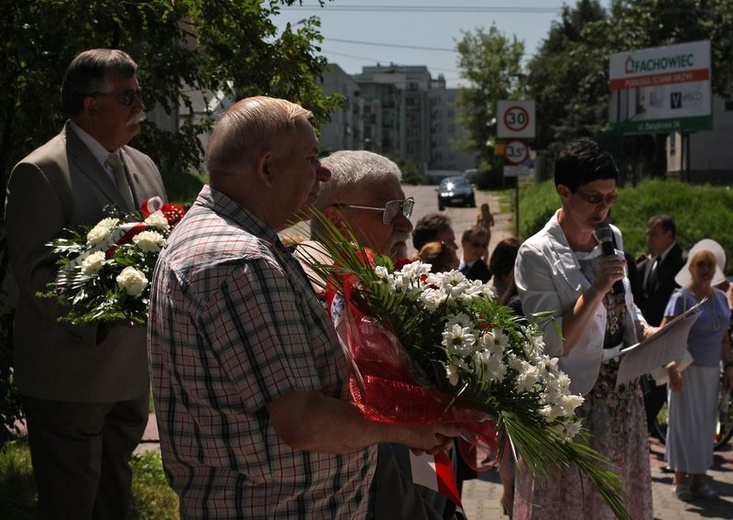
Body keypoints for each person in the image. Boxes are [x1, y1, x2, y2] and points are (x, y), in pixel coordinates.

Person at [147, 97, 460, 518]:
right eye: (312, 158)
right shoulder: (239, 261)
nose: (324, 172)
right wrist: (408, 428)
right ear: (267, 168)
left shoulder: (237, 243)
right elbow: (302, 419)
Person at [4, 49, 166, 519]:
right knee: (70, 504)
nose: (139, 104)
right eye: (128, 96)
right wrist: (112, 296)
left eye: (139, 93)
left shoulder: (143, 164)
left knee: (115, 500)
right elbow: (36, 275)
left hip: (130, 374)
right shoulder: (41, 171)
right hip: (69, 377)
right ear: (90, 104)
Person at [297, 149, 455, 520]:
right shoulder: (309, 294)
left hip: (419, 482)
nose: (406, 226)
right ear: (336, 220)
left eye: (406, 208)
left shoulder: (402, 287)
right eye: (389, 213)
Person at [513, 138, 653, 519]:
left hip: (621, 394)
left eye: (611, 198)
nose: (604, 208)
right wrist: (596, 288)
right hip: (572, 403)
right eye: (594, 198)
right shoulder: (535, 253)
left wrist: (646, 329)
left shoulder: (613, 236)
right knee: (571, 502)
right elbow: (551, 342)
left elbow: (622, 305)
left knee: (617, 497)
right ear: (564, 192)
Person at [661, 240, 733, 500]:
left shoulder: (722, 298)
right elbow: (665, 335)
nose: (705, 269)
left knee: (705, 426)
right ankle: (679, 479)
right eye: (700, 264)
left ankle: (699, 480)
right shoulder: (681, 297)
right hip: (685, 370)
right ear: (690, 268)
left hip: (711, 371)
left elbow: (725, 338)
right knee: (684, 424)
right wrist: (671, 368)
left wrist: (730, 367)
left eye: (710, 265)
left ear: (716, 269)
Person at [636, 215, 686, 438]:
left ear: (669, 235)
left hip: (673, 341)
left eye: (653, 233)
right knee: (649, 398)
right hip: (651, 337)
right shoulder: (651, 261)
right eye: (647, 233)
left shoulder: (683, 261)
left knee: (656, 401)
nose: (649, 238)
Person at [487, 236, 522, 516]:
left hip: (514, 385)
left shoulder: (519, 292)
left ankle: (512, 498)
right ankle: (510, 497)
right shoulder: (492, 294)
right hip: (503, 385)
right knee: (509, 452)